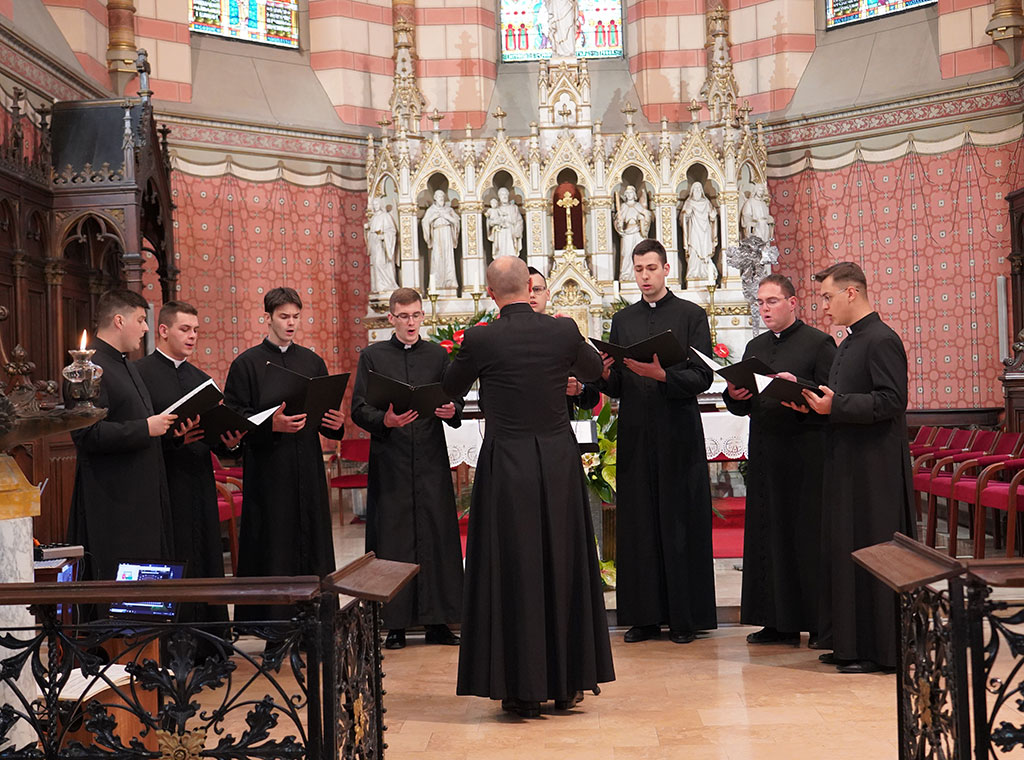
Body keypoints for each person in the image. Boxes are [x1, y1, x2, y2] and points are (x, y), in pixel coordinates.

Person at [443, 257, 614, 718]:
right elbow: (594, 371)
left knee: (512, 567)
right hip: (557, 460)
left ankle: (519, 688)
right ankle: (568, 683)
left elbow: (449, 386)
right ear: (531, 287)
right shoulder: (562, 330)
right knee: (563, 562)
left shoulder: (481, 338)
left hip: (507, 464)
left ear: (490, 293)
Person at [793, 261, 914, 674]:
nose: (824, 307)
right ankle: (849, 643)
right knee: (846, 550)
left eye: (828, 297)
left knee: (874, 551)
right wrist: (814, 404)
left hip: (874, 470)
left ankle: (880, 651)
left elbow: (892, 400)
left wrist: (837, 406)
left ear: (852, 292)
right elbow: (846, 398)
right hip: (848, 462)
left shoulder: (881, 339)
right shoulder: (849, 341)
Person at [596, 238, 717, 644]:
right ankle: (643, 617)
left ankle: (684, 619)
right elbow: (617, 385)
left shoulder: (691, 315)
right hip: (635, 435)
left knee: (679, 522)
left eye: (651, 268)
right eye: (638, 269)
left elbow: (703, 376)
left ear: (666, 269)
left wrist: (663, 376)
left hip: (677, 434)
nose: (644, 276)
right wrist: (603, 373)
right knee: (639, 524)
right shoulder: (623, 320)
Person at [722, 275, 835, 646]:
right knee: (768, 536)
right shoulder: (755, 346)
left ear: (792, 302)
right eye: (760, 302)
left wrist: (797, 382)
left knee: (805, 537)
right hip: (766, 452)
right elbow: (742, 405)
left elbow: (832, 396)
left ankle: (817, 624)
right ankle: (775, 623)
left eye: (772, 301)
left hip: (805, 454)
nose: (765, 308)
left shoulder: (819, 343)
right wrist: (734, 395)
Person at [350, 287, 464, 650]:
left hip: (430, 459)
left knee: (436, 534)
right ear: (391, 319)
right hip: (392, 460)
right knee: (393, 540)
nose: (411, 322)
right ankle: (395, 624)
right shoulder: (372, 356)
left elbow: (454, 398)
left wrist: (452, 410)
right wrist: (384, 420)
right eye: (403, 316)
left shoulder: (437, 355)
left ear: (422, 316)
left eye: (416, 315)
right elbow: (358, 408)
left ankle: (438, 622)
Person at [223, 287, 346, 621]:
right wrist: (271, 425)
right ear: (268, 318)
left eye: (295, 317)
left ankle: (316, 625)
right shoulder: (246, 364)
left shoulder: (312, 361)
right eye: (283, 317)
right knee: (273, 546)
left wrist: (336, 424)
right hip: (269, 472)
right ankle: (274, 628)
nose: (291, 323)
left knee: (313, 544)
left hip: (308, 468)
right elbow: (233, 419)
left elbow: (326, 416)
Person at [134, 301, 245, 626]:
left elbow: (212, 435)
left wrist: (230, 440)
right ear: (163, 330)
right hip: (164, 484)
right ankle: (172, 639)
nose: (192, 336)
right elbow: (139, 432)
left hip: (200, 482)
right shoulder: (140, 375)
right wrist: (174, 439)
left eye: (196, 330)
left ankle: (210, 638)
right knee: (174, 557)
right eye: (185, 329)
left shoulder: (201, 380)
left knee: (205, 555)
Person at [67, 289, 178, 584]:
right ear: (119, 320)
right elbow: (86, 433)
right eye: (140, 320)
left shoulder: (125, 364)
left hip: (142, 495)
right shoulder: (86, 370)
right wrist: (146, 428)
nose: (145, 328)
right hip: (113, 502)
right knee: (119, 586)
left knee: (146, 588)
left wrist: (171, 433)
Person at [527, 266, 600, 414]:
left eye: (537, 289)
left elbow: (592, 393)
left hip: (559, 419)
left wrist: (580, 389)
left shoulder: (562, 333)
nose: (532, 295)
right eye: (527, 290)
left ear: (547, 294)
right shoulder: (505, 334)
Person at [680, 182, 718, 286]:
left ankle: (706, 272)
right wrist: (686, 214)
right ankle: (693, 272)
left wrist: (713, 216)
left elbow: (712, 217)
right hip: (694, 230)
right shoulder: (689, 203)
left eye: (699, 189)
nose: (697, 190)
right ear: (692, 191)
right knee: (694, 251)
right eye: (695, 189)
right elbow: (682, 220)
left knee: (705, 251)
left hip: (705, 231)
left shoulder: (706, 202)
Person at [421, 189, 460, 290]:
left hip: (447, 233)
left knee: (448, 258)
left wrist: (448, 217)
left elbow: (456, 221)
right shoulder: (431, 210)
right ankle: (436, 283)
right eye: (439, 196)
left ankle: (450, 282)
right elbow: (425, 222)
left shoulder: (449, 210)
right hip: (437, 234)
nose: (441, 198)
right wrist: (433, 218)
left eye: (442, 196)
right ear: (435, 198)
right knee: (437, 257)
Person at [614, 185, 652, 282]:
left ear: (634, 194)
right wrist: (619, 224)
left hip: (638, 232)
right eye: (627, 193)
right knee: (626, 253)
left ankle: (640, 274)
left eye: (631, 193)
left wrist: (642, 218)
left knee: (640, 253)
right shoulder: (623, 206)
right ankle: (626, 274)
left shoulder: (638, 205)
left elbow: (647, 214)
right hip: (628, 232)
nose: (629, 195)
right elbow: (618, 220)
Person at [366, 197, 399, 293]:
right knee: (375, 264)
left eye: (376, 204)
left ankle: (387, 284)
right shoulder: (373, 218)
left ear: (380, 205)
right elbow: (370, 232)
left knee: (381, 263)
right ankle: (379, 286)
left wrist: (383, 236)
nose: (375, 206)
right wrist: (368, 230)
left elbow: (392, 231)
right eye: (374, 204)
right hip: (374, 243)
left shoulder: (385, 216)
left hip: (383, 244)